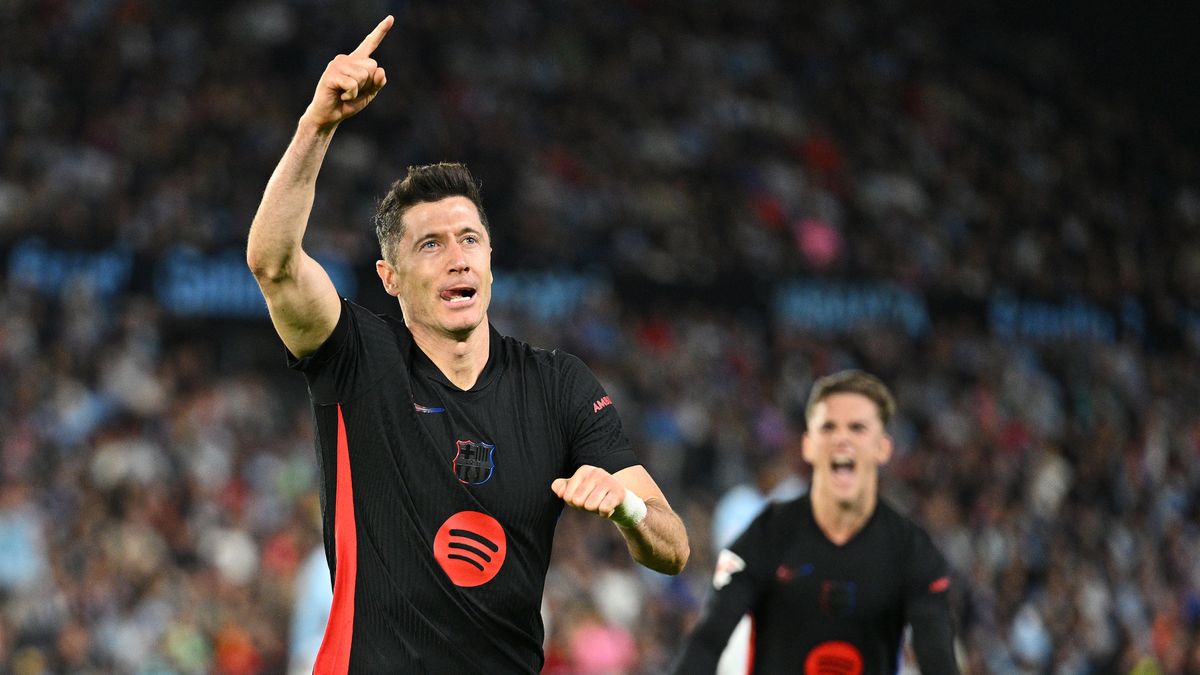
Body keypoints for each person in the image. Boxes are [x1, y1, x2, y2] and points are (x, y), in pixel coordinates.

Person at [245, 16, 689, 673]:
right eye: (431, 243)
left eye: (470, 239)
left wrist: (624, 506)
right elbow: (274, 264)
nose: (458, 258)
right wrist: (317, 125)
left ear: (490, 260)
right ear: (389, 278)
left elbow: (671, 545)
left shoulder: (558, 385)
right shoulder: (358, 357)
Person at [672, 370, 958, 674]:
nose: (842, 440)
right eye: (829, 427)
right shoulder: (766, 535)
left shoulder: (912, 552)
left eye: (858, 428)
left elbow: (937, 658)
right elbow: (707, 641)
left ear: (883, 447)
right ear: (808, 445)